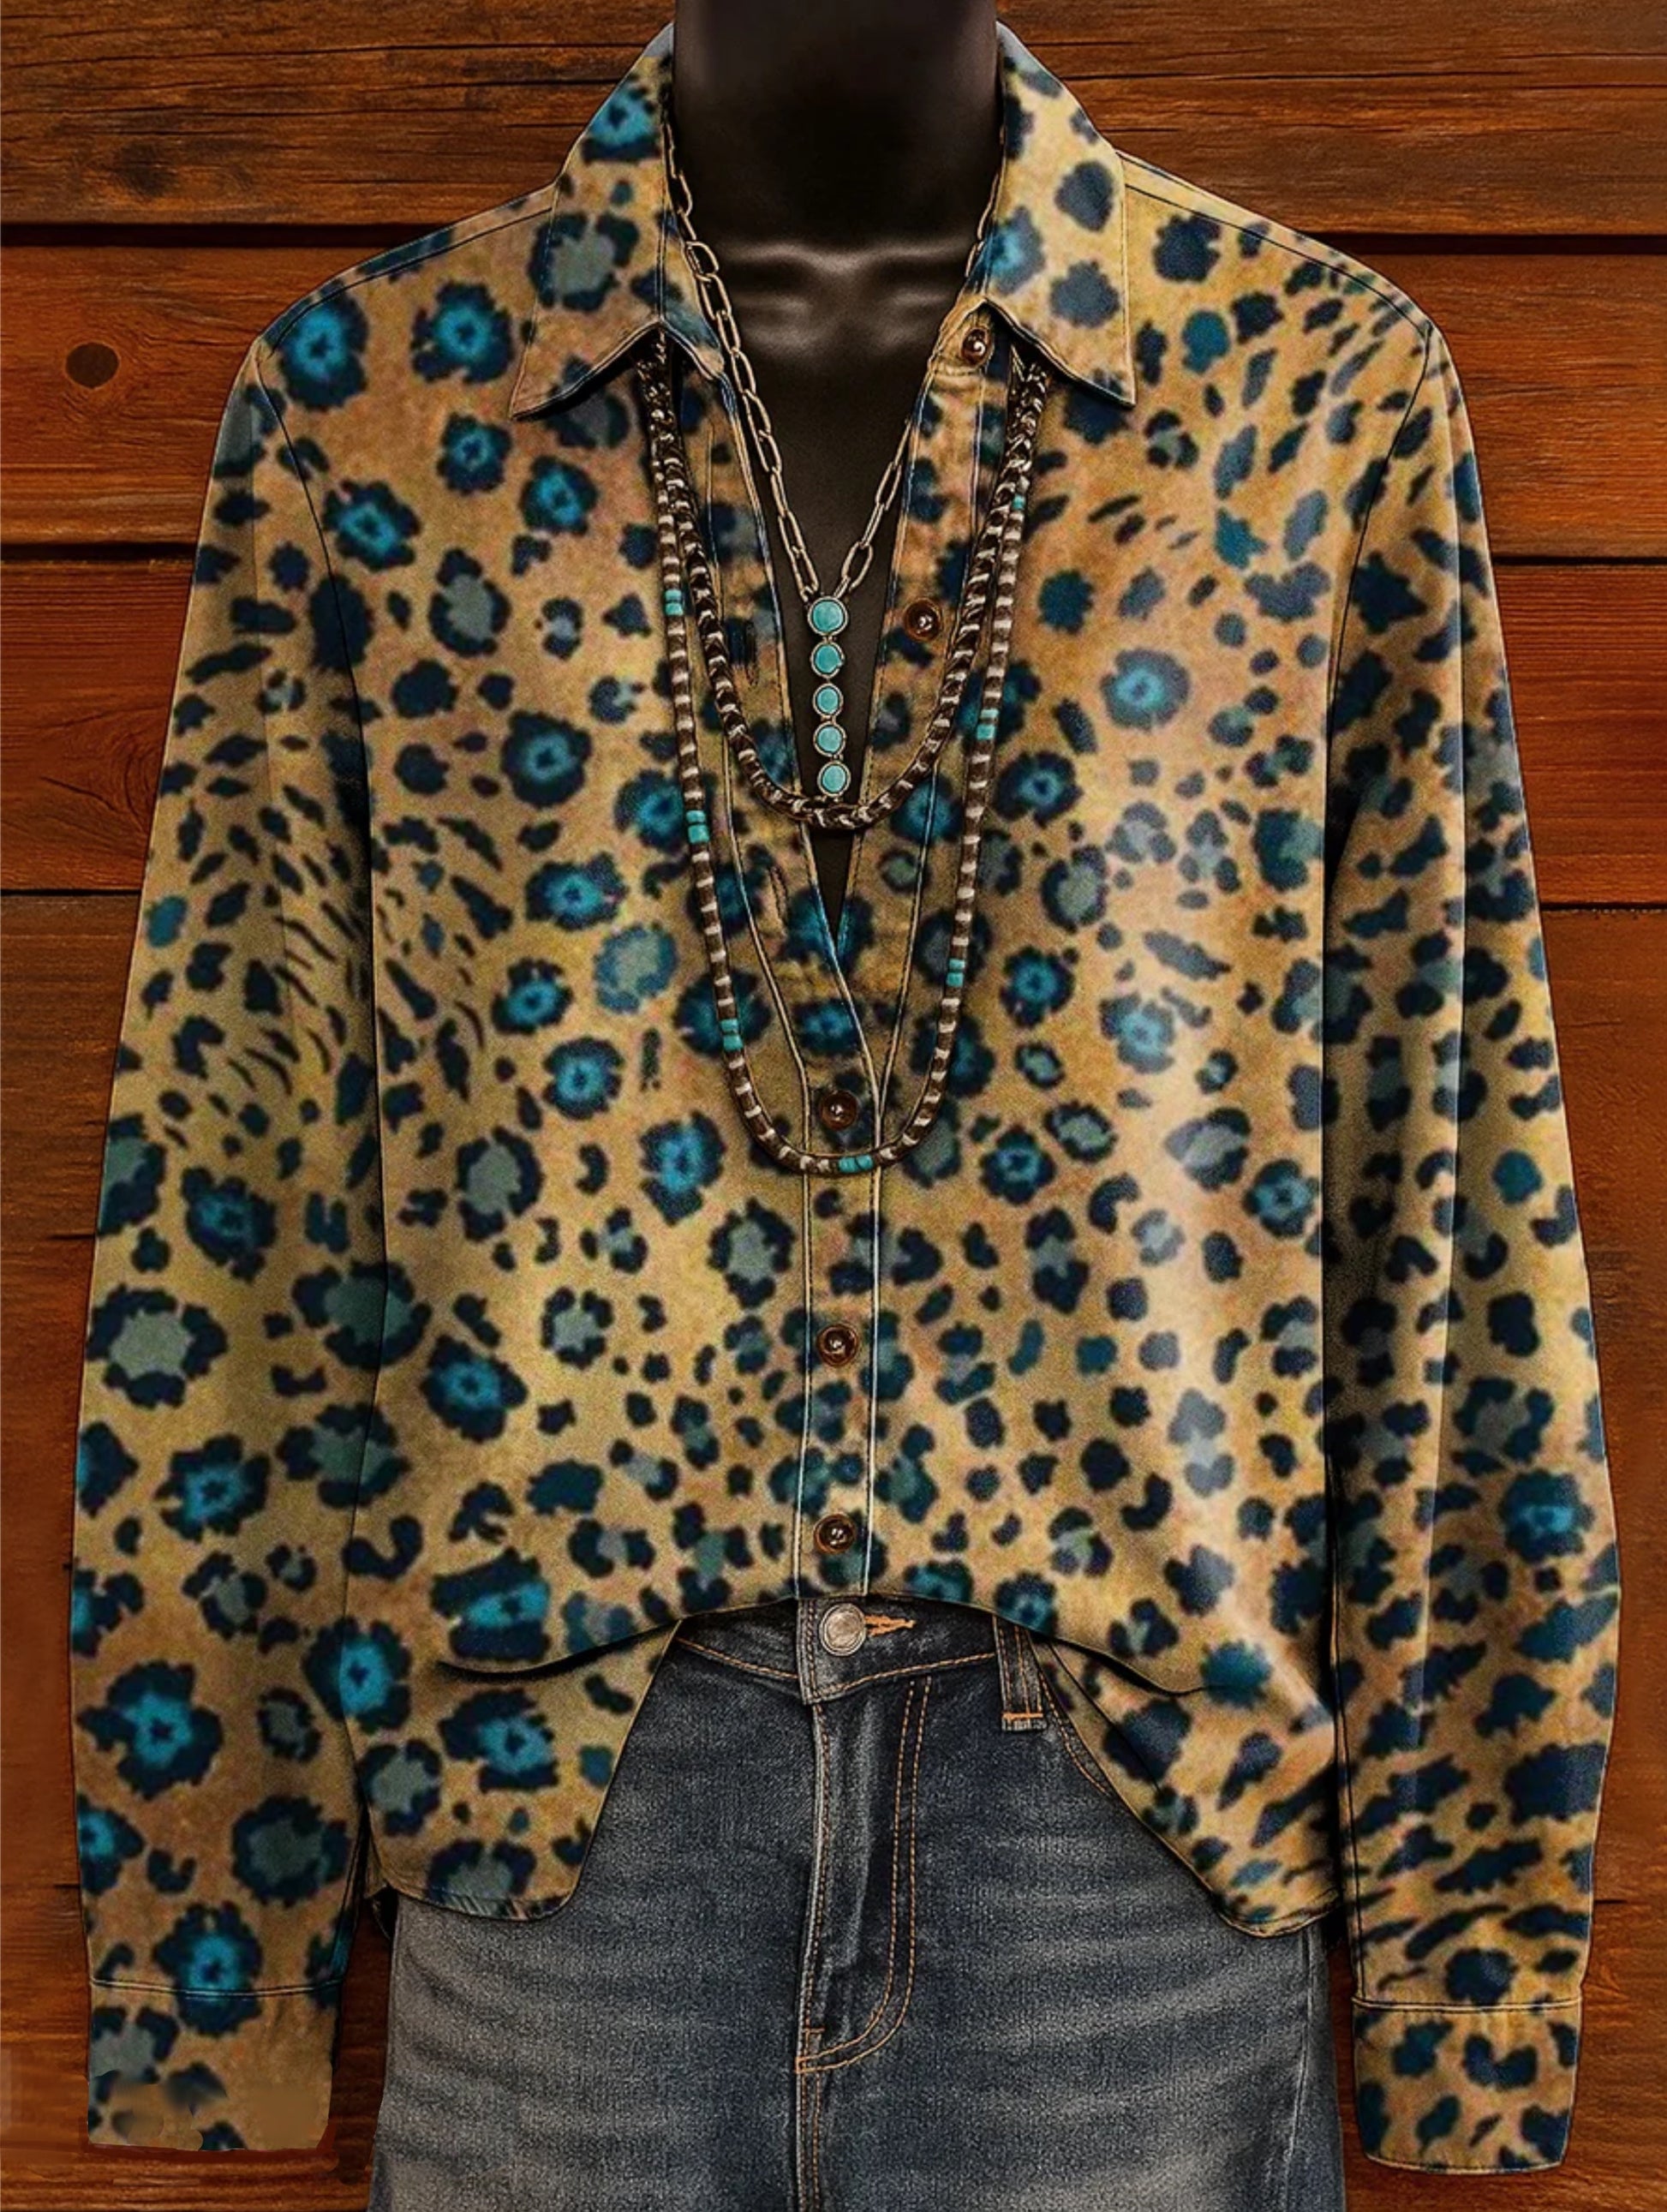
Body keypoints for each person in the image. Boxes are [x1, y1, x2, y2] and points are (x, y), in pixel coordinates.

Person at [67, 6, 1618, 2204]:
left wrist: (1468, 1970)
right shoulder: (378, 407)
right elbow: (232, 1204)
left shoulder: (1303, 393)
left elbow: (1447, 1175)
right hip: (558, 1843)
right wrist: (210, 1942)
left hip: (1128, 1858)